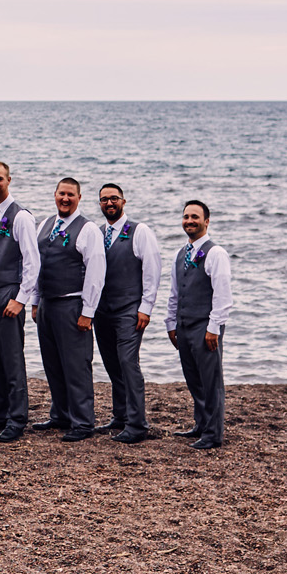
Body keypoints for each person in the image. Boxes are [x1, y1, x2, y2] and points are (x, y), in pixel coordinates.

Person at [27, 177, 105, 443]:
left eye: (71, 195)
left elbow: (96, 273)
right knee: (53, 363)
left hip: (72, 304)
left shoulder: (88, 229)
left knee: (76, 365)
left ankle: (83, 421)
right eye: (62, 194)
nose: (65, 199)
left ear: (79, 198)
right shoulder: (45, 225)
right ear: (55, 194)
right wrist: (35, 301)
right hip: (48, 303)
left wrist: (88, 312)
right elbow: (36, 265)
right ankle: (60, 414)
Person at [0, 162, 40, 443]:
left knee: (12, 359)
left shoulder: (21, 216)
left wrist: (21, 299)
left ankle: (17, 418)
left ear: (9, 180)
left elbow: (32, 261)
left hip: (9, 293)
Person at [96, 183, 161, 443]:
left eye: (114, 199)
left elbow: (152, 269)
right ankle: (120, 416)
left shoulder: (139, 231)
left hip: (129, 310)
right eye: (104, 200)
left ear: (123, 201)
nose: (109, 203)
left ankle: (137, 423)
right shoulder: (97, 232)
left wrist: (146, 307)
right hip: (102, 310)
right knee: (112, 364)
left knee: (128, 363)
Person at [167, 200, 233, 450]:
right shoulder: (180, 254)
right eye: (185, 217)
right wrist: (171, 323)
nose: (189, 221)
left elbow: (223, 295)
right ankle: (201, 423)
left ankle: (213, 434)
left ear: (206, 221)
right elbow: (175, 292)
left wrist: (214, 327)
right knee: (193, 377)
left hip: (205, 325)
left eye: (195, 216)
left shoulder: (216, 253)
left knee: (210, 380)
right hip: (184, 325)